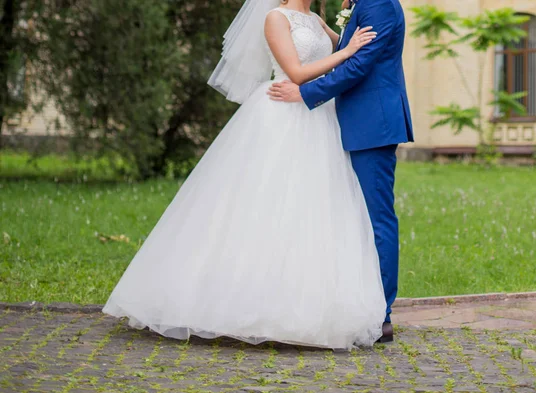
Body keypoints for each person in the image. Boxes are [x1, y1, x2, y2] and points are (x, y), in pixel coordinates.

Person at [103, 0, 390, 350]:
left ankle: (306, 304)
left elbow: (342, 47)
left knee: (313, 211)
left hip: (318, 118)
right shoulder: (275, 18)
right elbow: (297, 73)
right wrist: (349, 53)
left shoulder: (315, 19)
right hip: (282, 113)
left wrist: (351, 47)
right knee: (264, 205)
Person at [268, 0, 413, 342]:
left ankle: (381, 316)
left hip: (372, 123)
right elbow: (341, 51)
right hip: (346, 123)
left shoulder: (378, 4)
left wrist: (305, 93)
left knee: (375, 218)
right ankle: (355, 304)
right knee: (350, 218)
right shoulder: (358, 4)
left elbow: (359, 65)